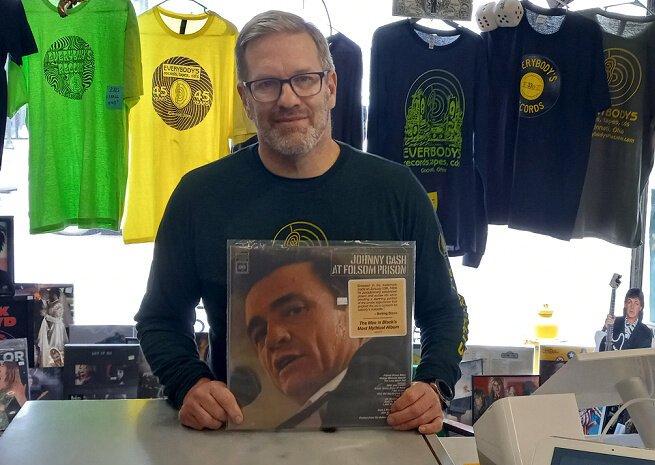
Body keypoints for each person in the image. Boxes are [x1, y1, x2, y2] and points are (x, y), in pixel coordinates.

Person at [135, 10, 467, 433]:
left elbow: (445, 311)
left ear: (330, 86)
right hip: (236, 443)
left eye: (304, 79)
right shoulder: (199, 197)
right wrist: (190, 383)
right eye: (267, 84)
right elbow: (160, 318)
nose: (288, 99)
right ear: (245, 99)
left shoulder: (396, 191)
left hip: (383, 440)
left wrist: (434, 384)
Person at [243, 249, 409, 428]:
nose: (272, 339)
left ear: (352, 312)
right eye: (260, 333)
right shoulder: (283, 432)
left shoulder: (395, 398)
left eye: (294, 311)